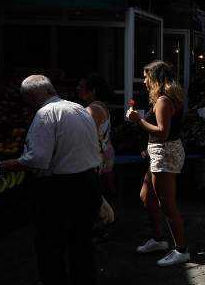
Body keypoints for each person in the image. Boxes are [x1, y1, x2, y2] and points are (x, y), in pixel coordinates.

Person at [0, 75, 102, 285]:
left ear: (32, 95)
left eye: (26, 99)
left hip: (62, 189)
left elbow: (37, 160)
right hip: (88, 183)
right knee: (81, 244)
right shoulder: (79, 109)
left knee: (51, 244)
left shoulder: (46, 114)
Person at [126, 60, 189, 266]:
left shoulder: (163, 100)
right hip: (160, 151)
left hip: (165, 152)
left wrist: (138, 120)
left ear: (155, 78)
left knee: (167, 204)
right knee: (147, 197)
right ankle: (159, 239)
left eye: (146, 76)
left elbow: (162, 132)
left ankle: (181, 249)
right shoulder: (168, 98)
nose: (143, 80)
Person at [77, 74, 116, 198]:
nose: (78, 88)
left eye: (81, 86)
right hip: (104, 156)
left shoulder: (93, 109)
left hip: (97, 159)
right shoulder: (101, 106)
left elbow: (85, 135)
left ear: (92, 91)